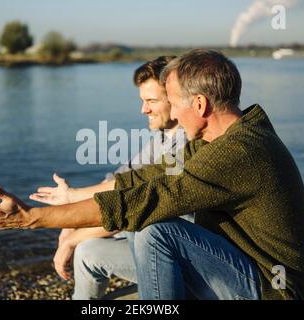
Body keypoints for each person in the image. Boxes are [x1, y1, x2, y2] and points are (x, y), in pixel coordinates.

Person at [0, 49, 304, 300]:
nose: (169, 110)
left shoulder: (238, 151)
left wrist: (33, 219)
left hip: (271, 290)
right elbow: (140, 181)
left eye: (172, 101)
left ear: (200, 105)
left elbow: (146, 202)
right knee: (130, 231)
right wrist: (70, 198)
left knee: (155, 229)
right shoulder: (218, 138)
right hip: (234, 267)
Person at [28, 56, 191, 299]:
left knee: (86, 251)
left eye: (151, 101)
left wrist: (72, 238)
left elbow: (130, 205)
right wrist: (71, 217)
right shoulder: (163, 136)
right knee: (87, 246)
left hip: (179, 258)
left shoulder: (186, 146)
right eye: (142, 100)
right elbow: (118, 179)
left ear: (176, 99)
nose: (143, 109)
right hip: (148, 239)